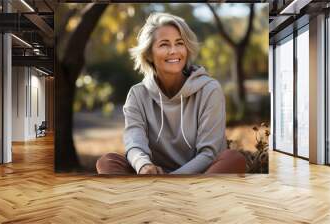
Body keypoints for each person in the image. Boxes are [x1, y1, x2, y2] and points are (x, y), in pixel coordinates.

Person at [96, 12, 246, 175]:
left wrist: (170, 182)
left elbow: (209, 154)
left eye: (179, 43)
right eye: (164, 44)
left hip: (197, 179)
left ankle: (159, 197)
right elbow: (134, 145)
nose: (174, 51)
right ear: (148, 54)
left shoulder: (209, 90)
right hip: (152, 179)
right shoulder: (137, 95)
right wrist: (144, 166)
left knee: (233, 159)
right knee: (107, 162)